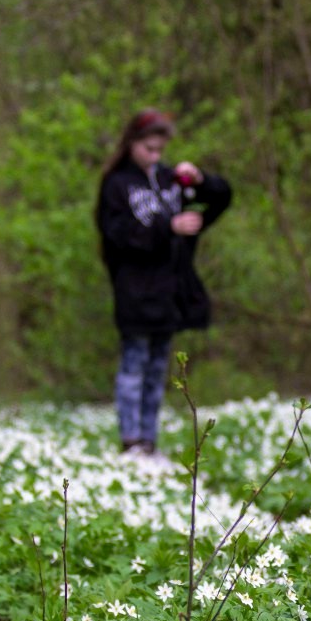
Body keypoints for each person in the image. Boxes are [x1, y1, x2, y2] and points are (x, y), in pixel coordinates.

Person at [95, 109, 231, 455]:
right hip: (135, 292)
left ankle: (149, 443)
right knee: (134, 367)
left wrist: (199, 180)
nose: (156, 156)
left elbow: (221, 198)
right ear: (132, 144)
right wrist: (167, 228)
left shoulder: (172, 181)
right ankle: (131, 443)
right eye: (149, 149)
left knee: (158, 371)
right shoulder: (117, 185)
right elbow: (118, 235)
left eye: (160, 149)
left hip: (170, 292)